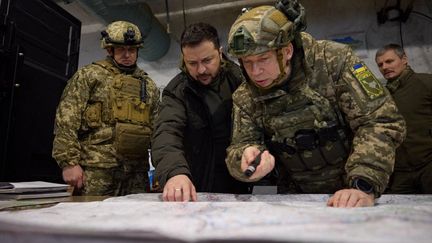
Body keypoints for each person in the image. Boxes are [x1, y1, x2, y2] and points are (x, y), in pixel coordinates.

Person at [225, 0, 406, 207]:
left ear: (287, 51)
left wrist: (363, 184)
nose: (255, 72)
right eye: (247, 63)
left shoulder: (334, 61)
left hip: (356, 190)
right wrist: (244, 158)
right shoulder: (245, 96)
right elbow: (238, 147)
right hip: (296, 201)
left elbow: (380, 121)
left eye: (263, 59)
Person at [52, 21, 160, 196]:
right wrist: (69, 163)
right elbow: (66, 119)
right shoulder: (90, 75)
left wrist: (161, 170)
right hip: (96, 168)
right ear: (109, 50)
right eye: (121, 49)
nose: (127, 54)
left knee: (133, 221)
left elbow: (157, 130)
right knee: (89, 220)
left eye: (132, 50)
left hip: (136, 173)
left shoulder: (148, 85)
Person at [152, 22, 250, 202]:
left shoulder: (242, 80)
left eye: (207, 60)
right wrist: (175, 173)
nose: (201, 70)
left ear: (220, 53)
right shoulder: (178, 91)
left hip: (248, 181)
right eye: (192, 63)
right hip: (201, 185)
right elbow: (166, 133)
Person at [375, 44, 432, 194]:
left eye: (389, 61)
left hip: (427, 166)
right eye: (380, 64)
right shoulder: (383, 94)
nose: (385, 67)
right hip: (400, 172)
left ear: (404, 59)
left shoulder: (426, 83)